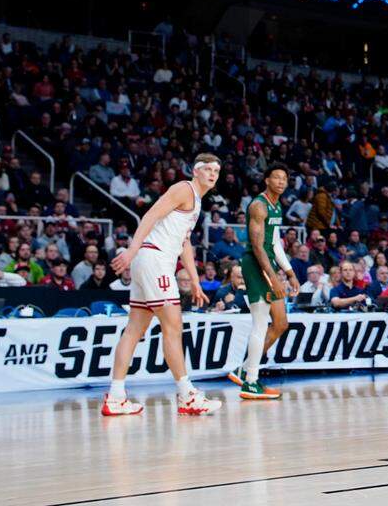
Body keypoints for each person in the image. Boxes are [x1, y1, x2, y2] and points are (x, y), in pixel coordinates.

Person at [102, 153, 222, 416]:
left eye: (217, 170)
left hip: (155, 259)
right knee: (173, 326)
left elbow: (184, 242)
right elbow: (151, 215)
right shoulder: (183, 188)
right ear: (196, 171)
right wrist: (131, 251)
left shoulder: (197, 200)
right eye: (208, 169)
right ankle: (186, 394)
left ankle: (116, 396)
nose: (213, 174)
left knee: (134, 328)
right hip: (153, 257)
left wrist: (195, 280)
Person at [227, 164, 298, 401]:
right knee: (260, 323)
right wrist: (273, 277)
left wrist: (289, 272)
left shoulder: (276, 205)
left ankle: (243, 370)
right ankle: (251, 382)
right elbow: (258, 247)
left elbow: (275, 243)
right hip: (256, 265)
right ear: (266, 180)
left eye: (284, 178)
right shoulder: (258, 205)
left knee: (280, 324)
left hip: (270, 265)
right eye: (276, 177)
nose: (280, 181)